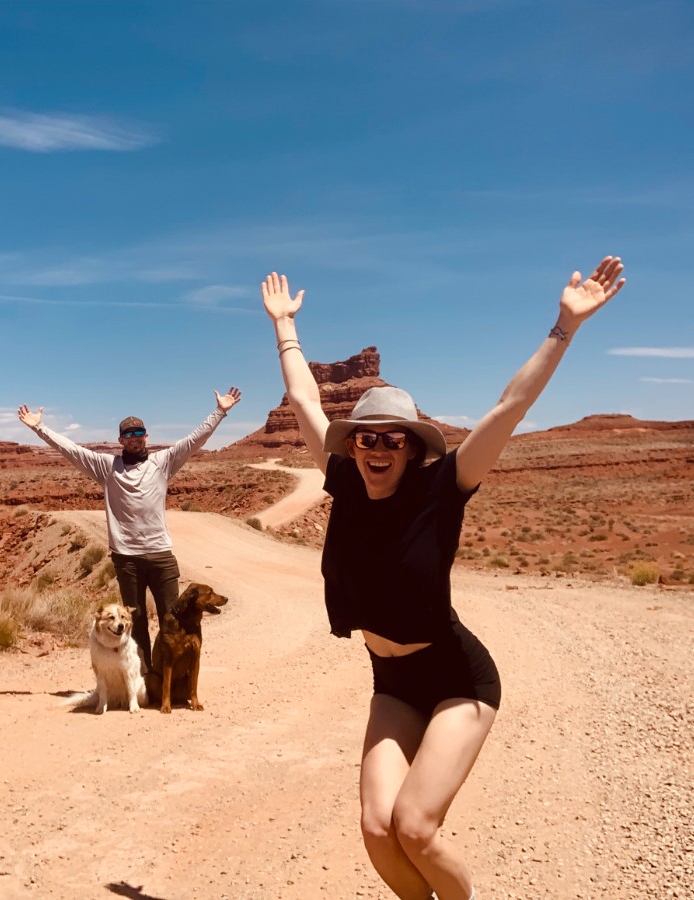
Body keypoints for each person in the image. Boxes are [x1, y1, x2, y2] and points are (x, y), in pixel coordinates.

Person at [260, 258, 625, 900]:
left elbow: (510, 406)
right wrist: (286, 330)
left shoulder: (444, 487)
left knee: (416, 827)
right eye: (366, 438)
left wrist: (564, 326)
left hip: (457, 678)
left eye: (392, 441)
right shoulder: (342, 480)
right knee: (378, 829)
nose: (376, 450)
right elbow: (304, 400)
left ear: (412, 447)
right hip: (391, 681)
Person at [18, 389, 242, 666]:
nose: (135, 439)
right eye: (129, 435)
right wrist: (40, 428)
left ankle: (172, 682)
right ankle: (145, 682)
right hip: (127, 560)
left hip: (161, 556)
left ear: (146, 437)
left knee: (172, 621)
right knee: (135, 625)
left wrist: (220, 412)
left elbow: (194, 440)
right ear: (121, 440)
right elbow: (72, 450)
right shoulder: (107, 467)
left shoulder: (163, 462)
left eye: (139, 434)